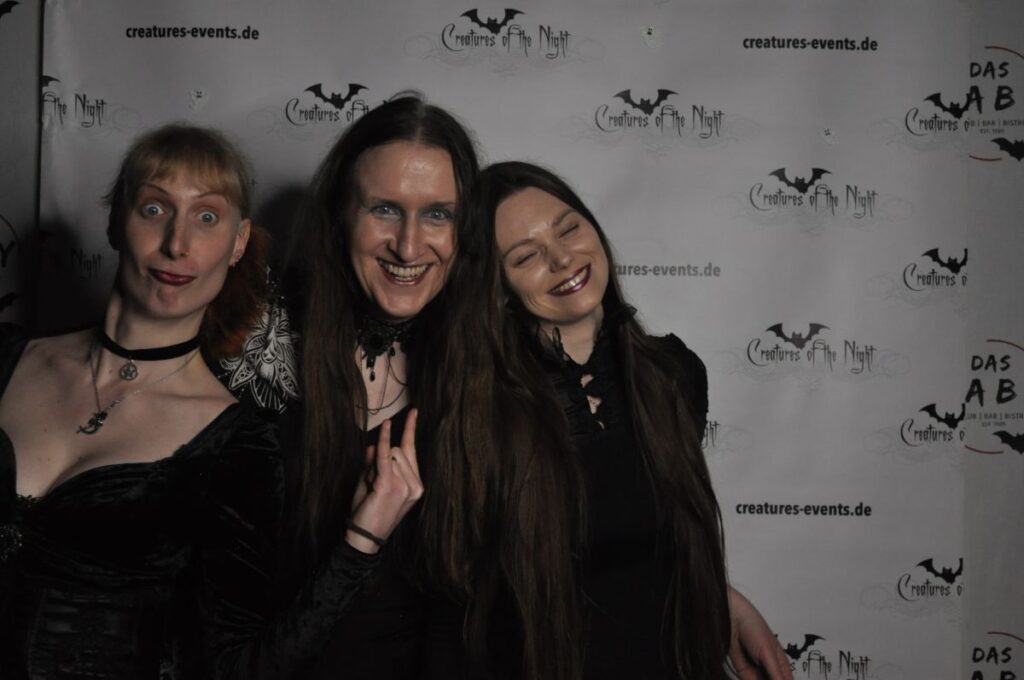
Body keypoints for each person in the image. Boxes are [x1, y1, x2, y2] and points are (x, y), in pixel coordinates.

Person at [219, 95, 788, 679]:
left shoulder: (661, 378)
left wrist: (716, 597)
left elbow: (630, 532)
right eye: (385, 209)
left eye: (437, 214)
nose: (409, 245)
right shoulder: (454, 401)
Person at [0, 123, 421, 679]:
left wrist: (360, 542)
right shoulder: (8, 356)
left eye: (206, 217)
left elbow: (243, 668)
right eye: (154, 209)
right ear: (116, 220)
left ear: (239, 243)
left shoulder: (238, 444)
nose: (177, 243)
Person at [471, 160, 793, 680]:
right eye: (526, 255)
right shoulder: (477, 414)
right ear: (497, 288)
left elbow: (642, 547)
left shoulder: (672, 374)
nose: (562, 258)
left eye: (569, 228)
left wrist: (722, 600)